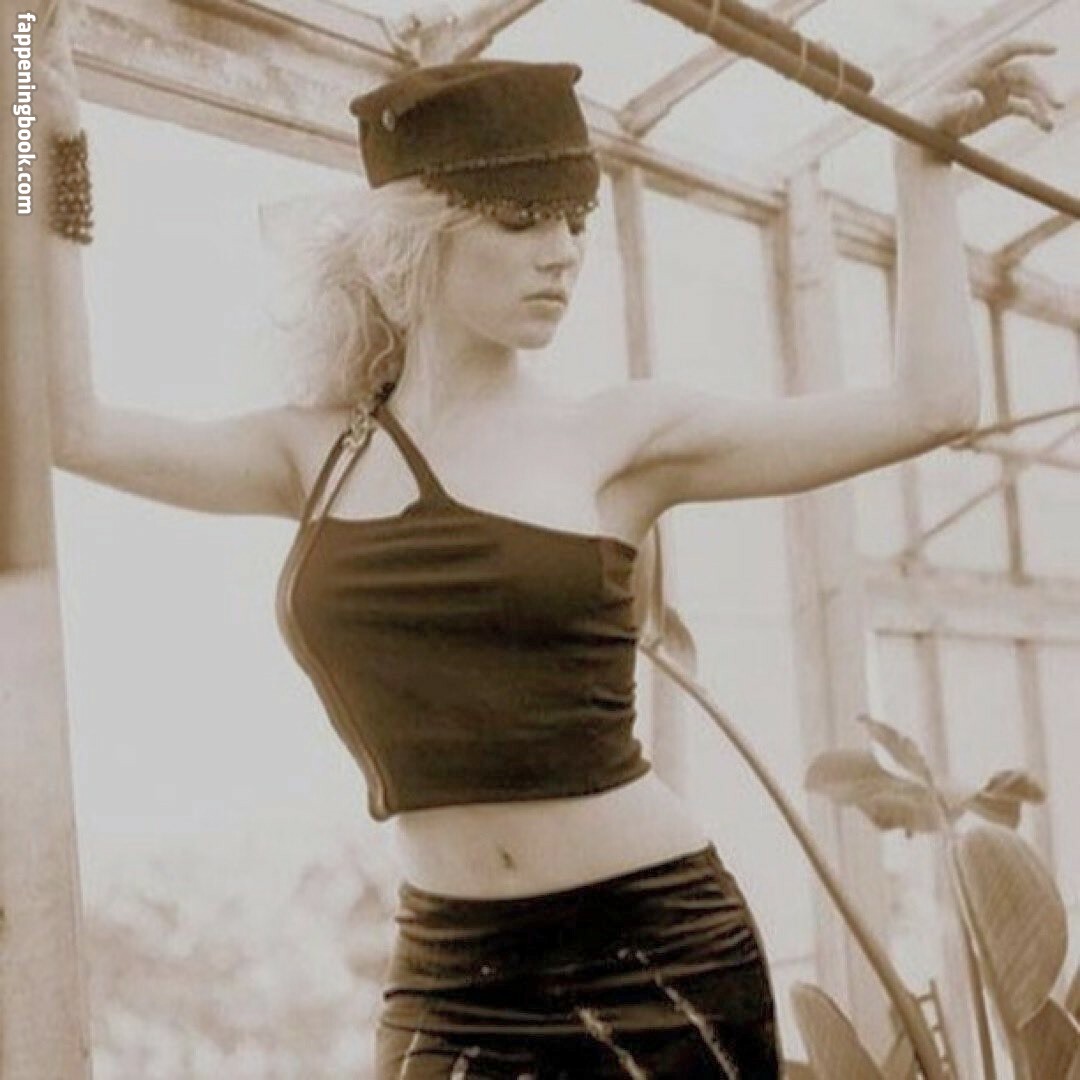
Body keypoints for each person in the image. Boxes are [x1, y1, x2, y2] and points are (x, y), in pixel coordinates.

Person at [37, 8, 1062, 1075]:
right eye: (524, 220)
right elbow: (70, 426)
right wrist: (37, 119)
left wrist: (923, 171)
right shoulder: (312, 454)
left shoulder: (620, 439)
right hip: (448, 971)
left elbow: (932, 405)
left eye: (575, 221)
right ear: (418, 235)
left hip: (658, 955)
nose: (563, 254)